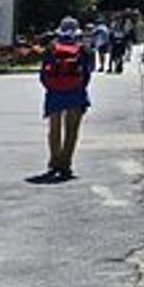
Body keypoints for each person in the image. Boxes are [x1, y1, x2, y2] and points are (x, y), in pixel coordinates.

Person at [39, 17, 93, 180]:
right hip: (76, 92)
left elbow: (43, 74)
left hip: (54, 93)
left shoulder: (51, 48)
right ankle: (66, 162)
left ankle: (54, 160)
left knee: (54, 129)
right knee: (72, 130)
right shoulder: (83, 49)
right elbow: (88, 73)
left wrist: (51, 87)